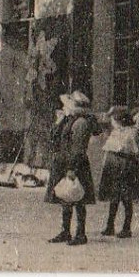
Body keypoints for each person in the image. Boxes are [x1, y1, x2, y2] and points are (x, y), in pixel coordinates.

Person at [45, 89, 99, 245]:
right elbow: (54, 137)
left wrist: (72, 169)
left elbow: (78, 148)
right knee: (66, 198)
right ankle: (66, 231)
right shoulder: (69, 120)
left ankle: (81, 234)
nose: (63, 108)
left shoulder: (80, 123)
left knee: (78, 198)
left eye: (66, 105)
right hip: (66, 161)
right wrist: (59, 121)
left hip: (75, 163)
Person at [99, 105, 139, 238]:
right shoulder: (117, 131)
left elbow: (132, 150)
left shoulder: (131, 132)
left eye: (114, 118)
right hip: (116, 166)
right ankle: (110, 225)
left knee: (126, 198)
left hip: (126, 166)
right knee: (114, 197)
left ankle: (126, 227)